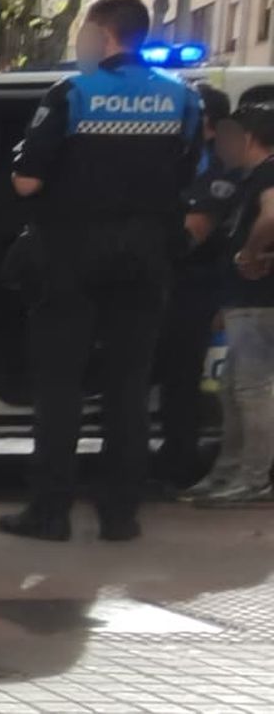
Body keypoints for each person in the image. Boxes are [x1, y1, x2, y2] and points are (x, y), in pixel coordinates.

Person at [0, 0, 202, 542]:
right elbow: (190, 173)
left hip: (71, 254)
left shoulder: (74, 91)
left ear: (102, 34)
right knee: (129, 387)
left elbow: (27, 180)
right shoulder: (182, 98)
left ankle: (49, 511)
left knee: (60, 385)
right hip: (146, 255)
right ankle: (120, 515)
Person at [153, 83, 237, 489]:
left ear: (208, 124)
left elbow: (195, 231)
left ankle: (177, 467)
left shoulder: (222, 171)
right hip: (163, 286)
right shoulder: (180, 160)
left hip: (194, 288)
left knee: (180, 382)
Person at [193, 103, 274, 505]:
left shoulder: (267, 173)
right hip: (245, 301)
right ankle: (229, 471)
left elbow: (272, 215)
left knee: (252, 390)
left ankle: (254, 479)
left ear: (248, 138)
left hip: (260, 300)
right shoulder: (250, 177)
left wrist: (249, 253)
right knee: (233, 390)